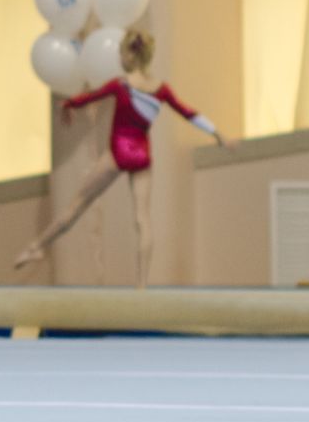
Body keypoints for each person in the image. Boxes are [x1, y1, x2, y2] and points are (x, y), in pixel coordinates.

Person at [13, 31, 226, 288]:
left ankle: (37, 246)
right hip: (141, 156)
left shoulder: (120, 84)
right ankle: (142, 284)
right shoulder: (161, 89)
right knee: (142, 219)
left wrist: (69, 104)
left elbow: (88, 98)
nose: (119, 58)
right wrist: (218, 134)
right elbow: (189, 112)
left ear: (130, 55)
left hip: (117, 154)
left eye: (121, 53)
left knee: (77, 205)